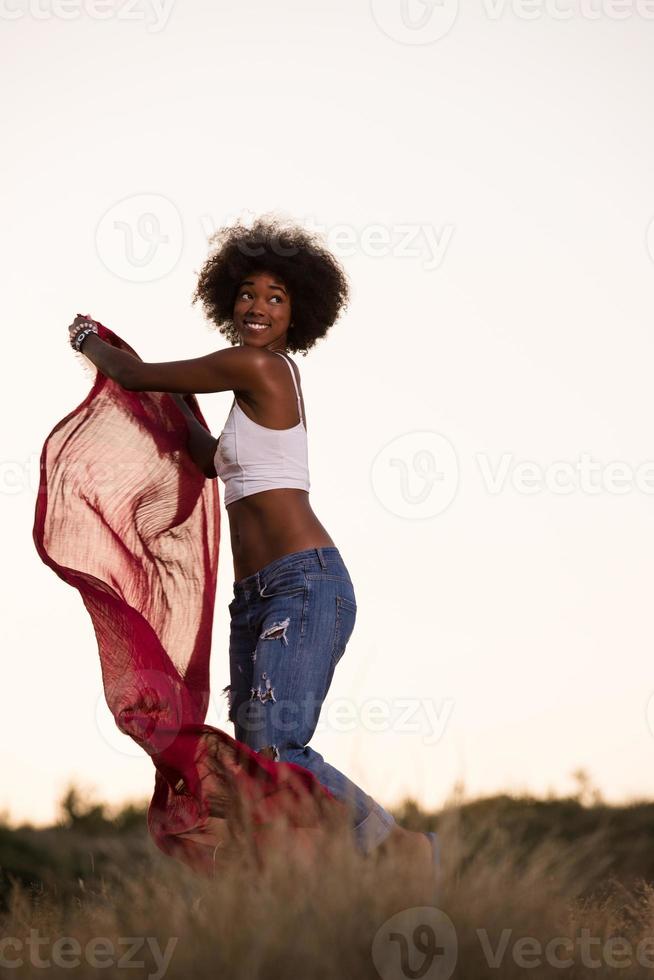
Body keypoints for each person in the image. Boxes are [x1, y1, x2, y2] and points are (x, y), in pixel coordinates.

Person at [66, 215, 438, 885]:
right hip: (255, 599)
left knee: (279, 749)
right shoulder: (246, 398)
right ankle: (315, 887)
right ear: (227, 302)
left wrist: (90, 342)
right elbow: (205, 457)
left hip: (305, 584)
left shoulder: (259, 367)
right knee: (258, 763)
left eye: (275, 296)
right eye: (246, 292)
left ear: (299, 312)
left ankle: (400, 850)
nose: (257, 306)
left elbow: (137, 374)